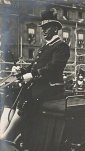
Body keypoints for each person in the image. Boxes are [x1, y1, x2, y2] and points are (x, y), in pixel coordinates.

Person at [0, 8, 70, 141]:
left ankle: (6, 137)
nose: (43, 30)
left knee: (25, 101)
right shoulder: (45, 46)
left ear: (55, 29)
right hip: (40, 86)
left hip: (51, 88)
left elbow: (53, 67)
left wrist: (33, 75)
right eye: (42, 27)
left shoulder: (61, 46)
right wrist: (20, 71)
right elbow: (34, 65)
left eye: (47, 27)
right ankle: (1, 134)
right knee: (10, 95)